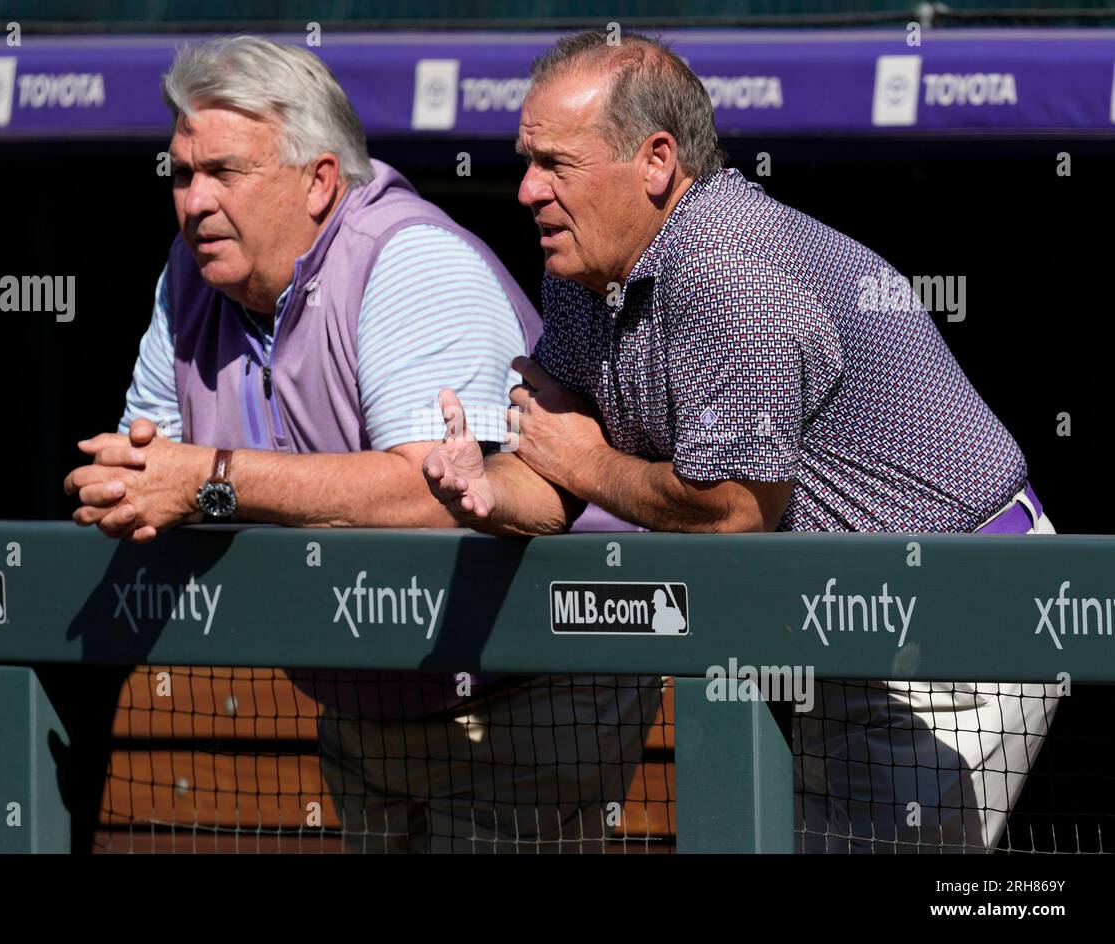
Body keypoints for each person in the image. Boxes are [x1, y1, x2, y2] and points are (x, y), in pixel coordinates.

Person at [423, 30, 1058, 853]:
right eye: (526, 161)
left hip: (955, 625)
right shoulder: (581, 271)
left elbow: (733, 511)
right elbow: (556, 472)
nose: (526, 190)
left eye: (556, 164)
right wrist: (487, 485)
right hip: (838, 626)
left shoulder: (730, 268)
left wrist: (584, 461)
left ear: (656, 162)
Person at [62, 35, 661, 852]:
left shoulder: (408, 259)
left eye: (225, 172)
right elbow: (150, 463)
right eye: (182, 174)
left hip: (526, 691)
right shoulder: (190, 277)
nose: (194, 201)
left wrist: (210, 479)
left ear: (319, 181)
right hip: (363, 702)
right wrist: (129, 483)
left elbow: (431, 494)